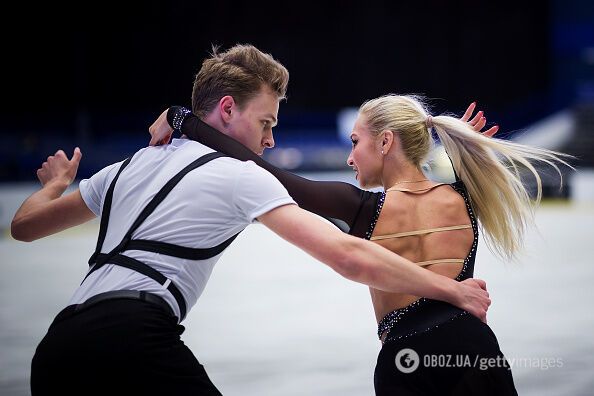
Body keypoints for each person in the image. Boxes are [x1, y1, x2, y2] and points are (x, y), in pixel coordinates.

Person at [11, 44, 491, 396]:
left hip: (57, 351)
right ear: (226, 110)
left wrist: (54, 185)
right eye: (266, 124)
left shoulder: (127, 166)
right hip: (133, 338)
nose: (269, 141)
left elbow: (25, 227)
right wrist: (453, 290)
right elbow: (346, 254)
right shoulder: (240, 176)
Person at [152, 93, 569, 394]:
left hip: (408, 360)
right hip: (476, 352)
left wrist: (184, 119)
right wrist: (467, 149)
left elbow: (260, 170)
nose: (350, 158)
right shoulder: (465, 197)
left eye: (356, 142)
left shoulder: (360, 208)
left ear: (385, 142)